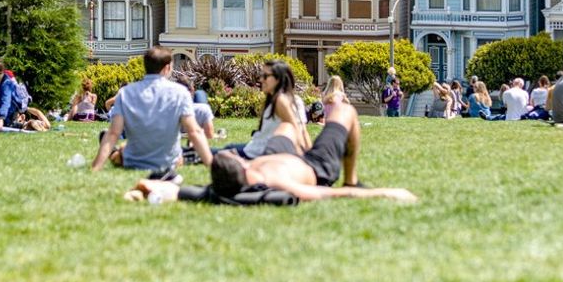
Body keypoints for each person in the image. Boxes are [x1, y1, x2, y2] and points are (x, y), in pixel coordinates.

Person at [127, 100, 416, 204]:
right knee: (344, 110)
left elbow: (167, 190)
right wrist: (387, 192)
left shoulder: (219, 186)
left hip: (283, 154)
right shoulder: (274, 186)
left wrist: (139, 191)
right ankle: (352, 175)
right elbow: (330, 194)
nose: (237, 154)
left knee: (286, 129)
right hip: (314, 167)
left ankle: (301, 133)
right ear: (241, 169)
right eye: (235, 157)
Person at [92, 46, 213, 173]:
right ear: (167, 68)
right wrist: (212, 166)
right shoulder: (180, 93)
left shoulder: (126, 93)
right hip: (169, 162)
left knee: (120, 148)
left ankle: (117, 153)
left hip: (133, 161)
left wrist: (95, 168)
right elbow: (194, 132)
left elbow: (113, 133)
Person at [236, 61, 309, 158]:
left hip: (256, 154)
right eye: (261, 75)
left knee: (218, 155)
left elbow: (296, 129)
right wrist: (310, 157)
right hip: (256, 150)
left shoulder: (280, 100)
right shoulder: (296, 100)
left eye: (265, 76)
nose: (261, 79)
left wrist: (303, 158)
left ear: (278, 78)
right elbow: (303, 131)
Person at [0, 59, 21, 127]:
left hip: (8, 115)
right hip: (3, 113)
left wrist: (1, 119)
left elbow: (6, 101)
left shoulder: (6, 84)